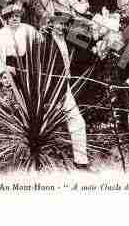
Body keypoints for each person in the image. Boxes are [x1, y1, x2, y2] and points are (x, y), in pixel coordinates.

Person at [40, 11, 90, 169]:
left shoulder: (69, 40)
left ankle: (81, 161)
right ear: (51, 23)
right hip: (50, 89)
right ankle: (40, 160)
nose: (61, 27)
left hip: (66, 86)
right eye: (58, 23)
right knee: (43, 124)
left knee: (77, 122)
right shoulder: (44, 40)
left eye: (64, 24)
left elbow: (86, 45)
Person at [0, 3, 40, 84]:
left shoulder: (29, 29)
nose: (14, 19)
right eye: (11, 17)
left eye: (17, 16)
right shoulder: (1, 33)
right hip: (9, 65)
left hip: (25, 64)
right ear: (7, 19)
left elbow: (40, 40)